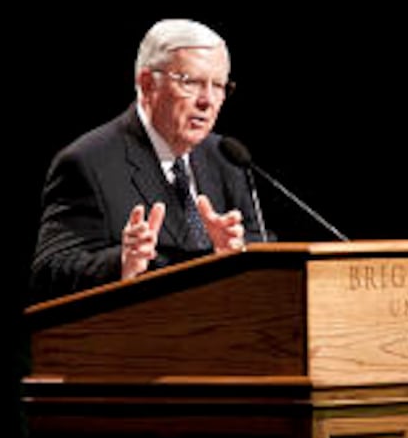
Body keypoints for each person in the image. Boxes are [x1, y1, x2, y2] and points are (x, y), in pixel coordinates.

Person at [30, 18, 268, 302]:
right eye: (191, 82)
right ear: (146, 84)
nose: (208, 100)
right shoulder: (88, 163)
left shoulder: (225, 157)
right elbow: (48, 274)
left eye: (218, 86)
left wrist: (236, 252)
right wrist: (123, 262)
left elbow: (261, 244)